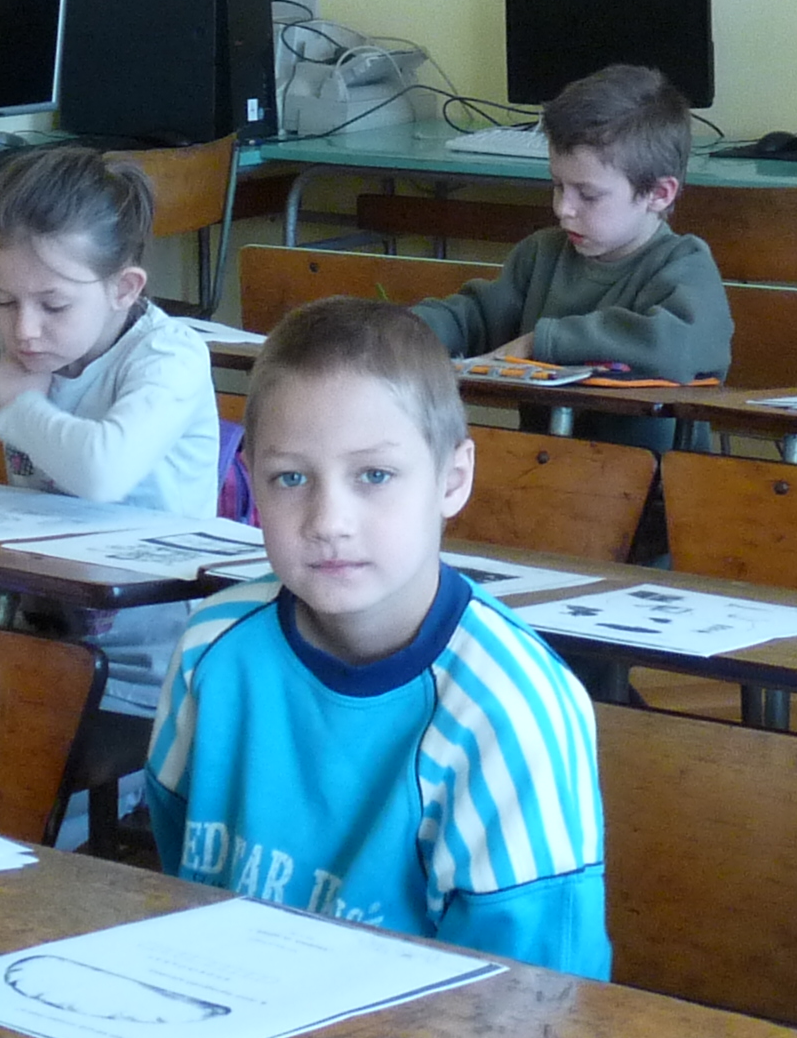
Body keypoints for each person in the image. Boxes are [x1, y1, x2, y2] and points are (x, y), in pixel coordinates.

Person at [146, 297, 607, 974]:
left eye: (374, 476)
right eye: (290, 477)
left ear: (452, 480)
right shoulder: (211, 647)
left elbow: (534, 998)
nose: (328, 520)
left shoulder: (511, 711)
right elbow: (176, 874)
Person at [0, 145, 218, 716]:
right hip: (43, 638)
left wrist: (22, 407)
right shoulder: (2, 349)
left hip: (160, 665)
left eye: (54, 305)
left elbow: (104, 473)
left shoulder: (170, 356)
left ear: (124, 289)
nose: (25, 330)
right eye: (4, 301)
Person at [412, 62, 731, 449]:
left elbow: (674, 347)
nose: (563, 209)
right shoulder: (541, 254)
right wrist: (401, 333)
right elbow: (474, 316)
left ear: (658, 194)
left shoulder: (685, 264)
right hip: (547, 468)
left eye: (588, 195)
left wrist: (540, 343)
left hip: (656, 481)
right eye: (558, 185)